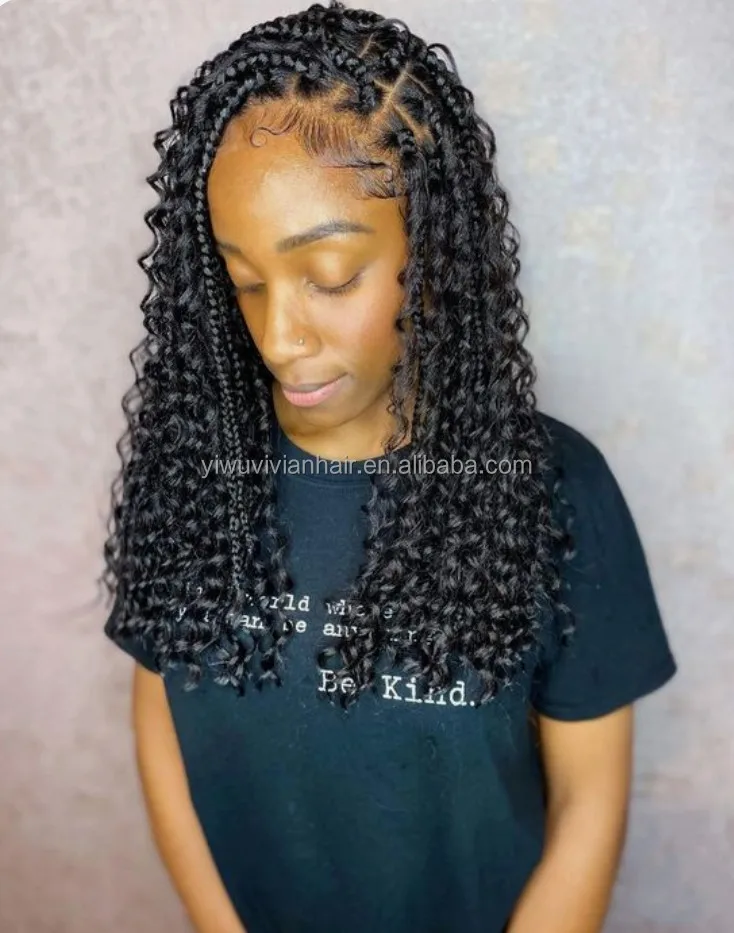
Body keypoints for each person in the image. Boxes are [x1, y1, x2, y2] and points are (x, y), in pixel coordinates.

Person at [101, 3, 678, 932]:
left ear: (435, 256)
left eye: (330, 275)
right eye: (244, 281)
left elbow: (587, 803)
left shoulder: (553, 490)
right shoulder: (195, 469)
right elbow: (161, 721)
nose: (278, 338)